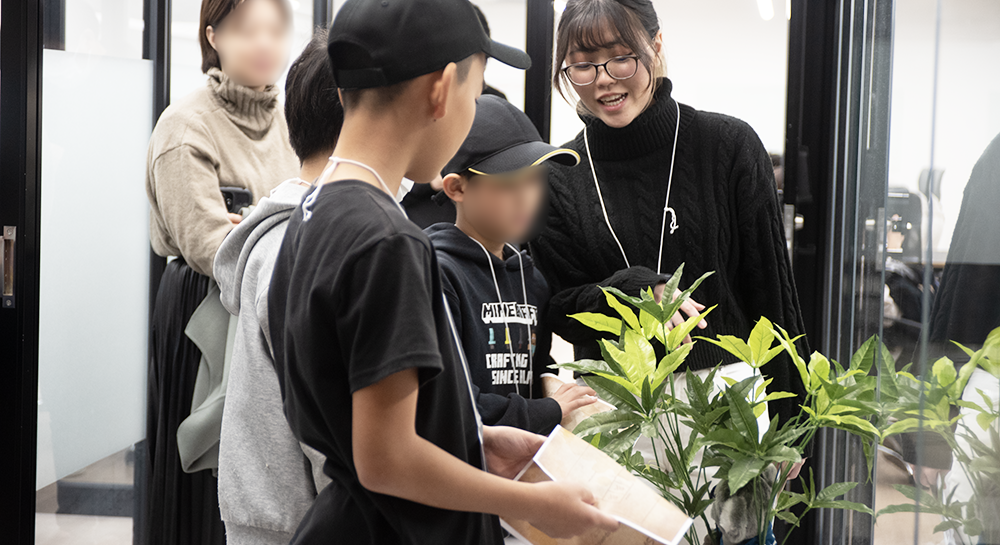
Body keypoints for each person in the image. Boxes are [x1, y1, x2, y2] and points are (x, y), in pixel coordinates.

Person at [267, 1, 620, 543]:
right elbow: (386, 460)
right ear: (440, 89)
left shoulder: (314, 212)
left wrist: (474, 439)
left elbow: (368, 419)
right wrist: (530, 501)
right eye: (475, 94)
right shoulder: (387, 241)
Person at [531, 0, 808, 434]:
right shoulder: (559, 175)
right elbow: (557, 307)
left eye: (621, 58)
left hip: (726, 401)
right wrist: (630, 290)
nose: (603, 81)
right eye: (582, 66)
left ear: (655, 44)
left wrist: (793, 425)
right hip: (613, 406)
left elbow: (772, 295)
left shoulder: (727, 146)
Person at [143, 0, 296, 543]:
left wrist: (250, 222)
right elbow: (211, 246)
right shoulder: (185, 125)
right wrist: (271, 225)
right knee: (207, 465)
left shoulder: (291, 120)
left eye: (276, 30)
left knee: (264, 457)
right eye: (247, 30)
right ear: (213, 35)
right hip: (203, 307)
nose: (264, 43)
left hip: (272, 299)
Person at [213, 30, 341, 545]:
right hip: (306, 522)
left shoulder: (283, 234)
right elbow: (337, 440)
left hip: (272, 511)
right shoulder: (318, 244)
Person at [427, 95, 595, 435]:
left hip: (527, 465)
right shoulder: (438, 272)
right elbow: (448, 398)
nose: (525, 198)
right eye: (507, 184)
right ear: (456, 187)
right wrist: (547, 410)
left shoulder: (531, 279)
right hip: (465, 470)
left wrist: (552, 390)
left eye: (534, 180)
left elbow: (535, 367)